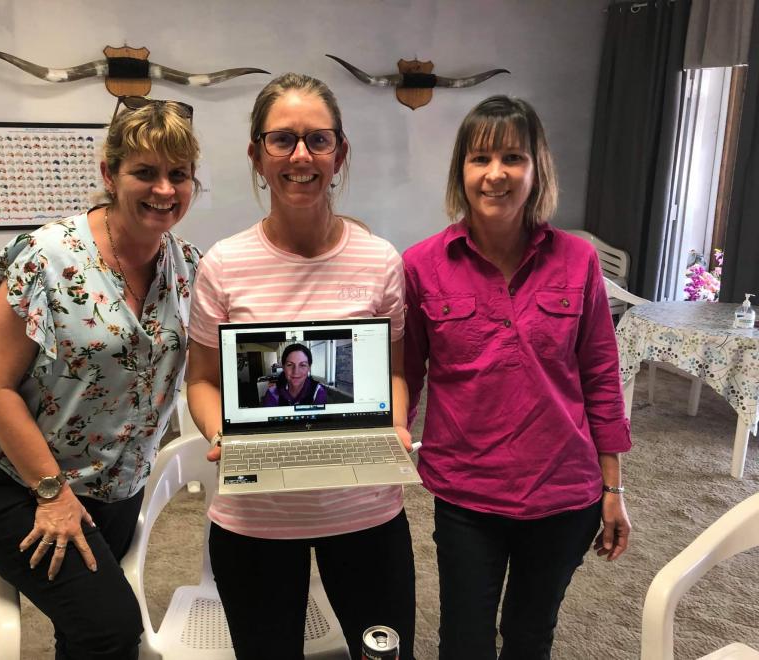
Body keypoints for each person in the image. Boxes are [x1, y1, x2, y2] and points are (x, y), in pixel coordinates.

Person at [0, 97, 201, 660]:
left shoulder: (187, 265)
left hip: (115, 486)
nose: (164, 189)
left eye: (178, 175)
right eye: (145, 172)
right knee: (110, 627)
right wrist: (51, 492)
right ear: (109, 174)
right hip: (19, 481)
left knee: (84, 627)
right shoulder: (48, 256)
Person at [186, 73, 416, 660]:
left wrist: (394, 421)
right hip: (255, 516)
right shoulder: (223, 265)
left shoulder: (381, 260)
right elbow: (205, 380)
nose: (301, 156)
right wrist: (222, 433)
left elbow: (392, 373)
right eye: (282, 139)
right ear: (257, 155)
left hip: (364, 508)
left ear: (340, 154)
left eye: (318, 139)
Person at [403, 95, 632, 660]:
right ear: (462, 169)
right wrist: (385, 445)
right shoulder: (421, 265)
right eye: (481, 158)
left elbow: (601, 377)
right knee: (464, 641)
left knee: (531, 637)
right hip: (466, 493)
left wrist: (614, 489)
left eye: (513, 157)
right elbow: (403, 374)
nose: (496, 174)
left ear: (538, 167)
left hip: (563, 492)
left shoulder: (578, 262)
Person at [261, 342, 327, 406]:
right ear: (283, 367)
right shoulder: (272, 393)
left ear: (309, 367)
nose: (296, 372)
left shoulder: (318, 392)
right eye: (290, 365)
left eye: (302, 365)